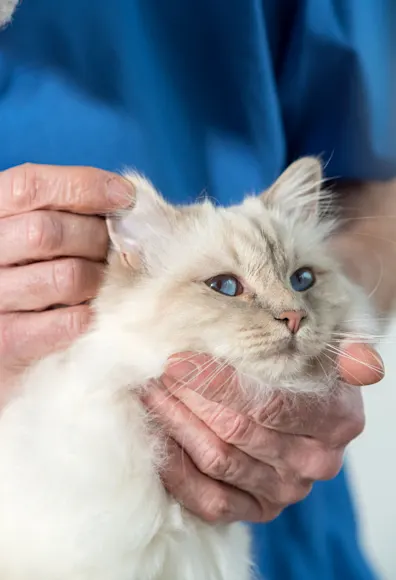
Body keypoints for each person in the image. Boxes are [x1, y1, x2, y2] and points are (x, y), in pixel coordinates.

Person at [0, 1, 394, 578]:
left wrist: (338, 324)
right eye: (228, 286)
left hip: (286, 512)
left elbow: (378, 187)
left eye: (298, 285)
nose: (288, 313)